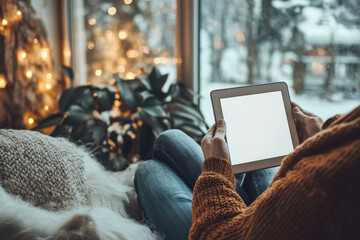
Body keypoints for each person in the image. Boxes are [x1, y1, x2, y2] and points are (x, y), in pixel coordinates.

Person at [135, 104, 360, 240]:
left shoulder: (324, 197)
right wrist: (325, 138)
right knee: (169, 138)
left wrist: (216, 170)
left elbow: (217, 235)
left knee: (149, 169)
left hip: (235, 231)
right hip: (273, 217)